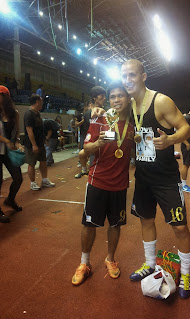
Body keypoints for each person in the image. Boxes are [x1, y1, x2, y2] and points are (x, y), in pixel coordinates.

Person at [119, 59, 190, 299]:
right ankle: (150, 263)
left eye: (132, 75)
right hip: (143, 177)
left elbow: (186, 128)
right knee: (146, 220)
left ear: (143, 76)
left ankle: (187, 275)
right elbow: (110, 116)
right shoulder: (127, 105)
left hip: (166, 179)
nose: (127, 80)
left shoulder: (160, 101)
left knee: (180, 227)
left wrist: (171, 140)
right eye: (124, 76)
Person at [72, 81, 134, 285]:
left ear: (128, 98)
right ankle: (84, 262)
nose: (117, 100)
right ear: (109, 100)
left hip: (120, 183)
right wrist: (98, 143)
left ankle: (110, 258)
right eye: (113, 96)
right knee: (88, 224)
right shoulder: (100, 118)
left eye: (121, 96)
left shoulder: (135, 123)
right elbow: (86, 148)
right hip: (97, 180)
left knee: (115, 225)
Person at [0, 86, 23, 223]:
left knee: (18, 178)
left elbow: (17, 132)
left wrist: (18, 142)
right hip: (2, 147)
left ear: (5, 96)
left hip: (9, 151)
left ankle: (10, 200)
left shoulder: (14, 113)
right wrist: (7, 141)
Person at [24, 94, 55, 190]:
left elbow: (39, 129)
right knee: (32, 163)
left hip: (40, 143)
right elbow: (29, 131)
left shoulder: (37, 113)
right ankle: (33, 183)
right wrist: (34, 145)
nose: (42, 103)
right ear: (37, 102)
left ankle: (44, 180)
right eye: (41, 101)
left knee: (43, 162)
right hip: (32, 145)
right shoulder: (28, 114)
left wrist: (44, 139)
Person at [74, 87, 106, 179]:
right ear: (94, 98)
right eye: (102, 96)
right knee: (94, 170)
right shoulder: (88, 114)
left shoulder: (107, 113)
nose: (104, 98)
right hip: (94, 145)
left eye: (105, 96)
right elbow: (89, 131)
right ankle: (85, 170)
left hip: (104, 145)